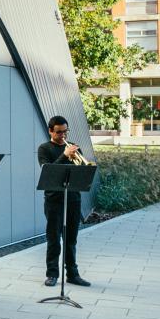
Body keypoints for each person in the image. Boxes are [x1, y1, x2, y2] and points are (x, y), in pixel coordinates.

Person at [38, 116, 91, 288]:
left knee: (71, 239)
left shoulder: (75, 147)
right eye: (59, 132)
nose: (63, 135)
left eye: (65, 131)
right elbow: (48, 171)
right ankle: (52, 274)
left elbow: (83, 171)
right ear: (50, 131)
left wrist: (76, 158)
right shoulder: (44, 148)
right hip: (54, 200)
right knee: (54, 238)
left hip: (73, 199)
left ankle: (73, 274)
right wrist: (64, 155)